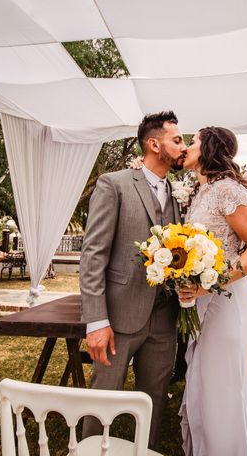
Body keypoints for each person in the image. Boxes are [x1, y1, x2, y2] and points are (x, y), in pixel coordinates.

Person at [80, 111, 187, 449]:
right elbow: (93, 253)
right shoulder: (115, 183)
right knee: (104, 397)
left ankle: (147, 449)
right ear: (154, 144)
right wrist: (97, 320)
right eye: (177, 140)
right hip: (118, 317)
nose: (183, 147)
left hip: (164, 316)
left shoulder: (178, 193)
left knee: (154, 397)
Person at [177, 127, 247, 455]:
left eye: (192, 141)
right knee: (205, 392)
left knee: (223, 395)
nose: (187, 145)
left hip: (227, 305)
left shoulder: (228, 190)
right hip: (204, 305)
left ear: (209, 148)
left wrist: (210, 283)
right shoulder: (201, 191)